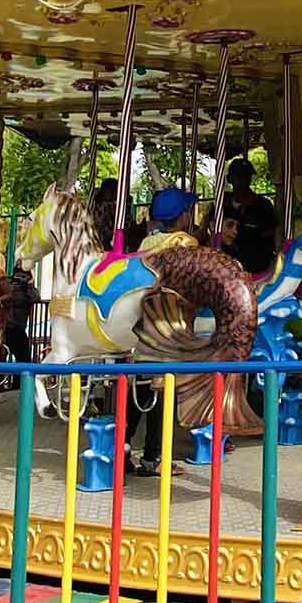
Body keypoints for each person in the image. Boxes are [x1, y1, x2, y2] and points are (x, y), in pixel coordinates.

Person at [124, 186, 199, 474]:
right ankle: (155, 458)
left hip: (146, 325)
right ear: (180, 216)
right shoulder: (185, 243)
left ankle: (125, 448)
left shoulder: (146, 242)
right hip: (171, 327)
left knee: (139, 392)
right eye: (187, 211)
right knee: (163, 396)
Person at [220, 157, 278, 274]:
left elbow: (270, 236)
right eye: (238, 176)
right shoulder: (222, 203)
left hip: (253, 263)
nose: (242, 181)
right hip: (225, 260)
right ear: (229, 179)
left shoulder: (263, 205)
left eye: (246, 176)